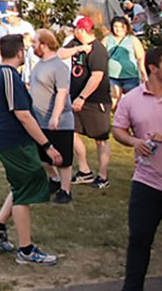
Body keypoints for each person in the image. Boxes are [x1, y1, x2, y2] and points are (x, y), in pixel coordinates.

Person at [0, 34, 61, 267]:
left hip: (5, 138)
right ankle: (26, 250)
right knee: (27, 188)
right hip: (13, 140)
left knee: (22, 183)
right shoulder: (8, 75)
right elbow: (22, 114)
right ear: (19, 53)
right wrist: (47, 145)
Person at [112, 47, 162, 291]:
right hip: (147, 182)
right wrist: (133, 141)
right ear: (153, 68)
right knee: (139, 240)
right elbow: (118, 130)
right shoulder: (131, 99)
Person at [28, 30, 75, 204]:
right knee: (42, 157)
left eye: (35, 43)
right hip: (39, 120)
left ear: (44, 44)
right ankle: (54, 180)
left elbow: (62, 93)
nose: (32, 46)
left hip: (59, 121)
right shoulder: (39, 64)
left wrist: (55, 117)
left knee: (63, 159)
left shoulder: (59, 66)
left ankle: (65, 190)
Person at [64, 17, 112, 188]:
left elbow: (96, 77)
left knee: (100, 139)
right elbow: (60, 54)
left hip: (95, 100)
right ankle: (85, 170)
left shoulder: (98, 50)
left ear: (82, 30)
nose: (73, 31)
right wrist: (78, 48)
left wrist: (82, 97)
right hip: (75, 96)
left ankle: (103, 176)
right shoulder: (74, 43)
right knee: (72, 132)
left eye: (75, 28)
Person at [104, 16, 146, 105]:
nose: (118, 29)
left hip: (130, 76)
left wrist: (143, 73)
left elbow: (141, 57)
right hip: (112, 76)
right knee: (114, 98)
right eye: (116, 26)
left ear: (126, 27)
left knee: (132, 101)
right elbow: (100, 55)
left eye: (121, 27)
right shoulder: (107, 39)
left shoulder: (132, 40)